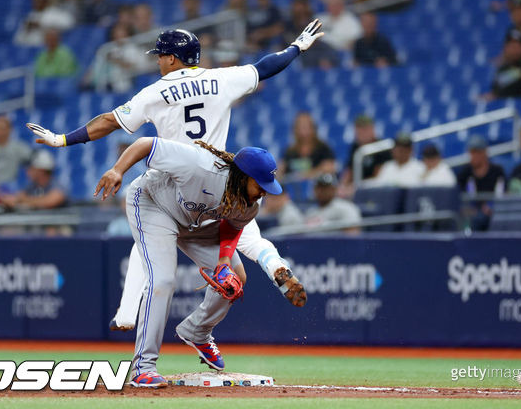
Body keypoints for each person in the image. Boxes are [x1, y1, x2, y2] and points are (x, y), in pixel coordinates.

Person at [26, 22, 324, 339]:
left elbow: (108, 122)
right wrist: (296, 47)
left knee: (147, 242)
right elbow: (265, 68)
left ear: (172, 58)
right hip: (217, 182)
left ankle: (127, 313)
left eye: (161, 55)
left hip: (170, 180)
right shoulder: (220, 78)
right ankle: (273, 268)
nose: (157, 61)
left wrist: (62, 140)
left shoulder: (155, 91)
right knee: (246, 234)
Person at [94, 137, 286, 387]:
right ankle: (143, 366)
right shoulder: (199, 165)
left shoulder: (251, 203)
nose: (264, 191)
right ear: (242, 175)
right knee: (162, 280)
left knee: (234, 277)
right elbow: (145, 144)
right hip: (153, 206)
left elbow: (231, 227)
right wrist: (117, 170)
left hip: (193, 223)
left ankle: (197, 330)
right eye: (260, 184)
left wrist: (224, 262)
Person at [456, 135, 506, 231]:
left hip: (493, 212)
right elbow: (459, 195)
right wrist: (467, 208)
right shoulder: (465, 173)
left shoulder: (497, 171)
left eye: (477, 152)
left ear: (484, 153)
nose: (474, 156)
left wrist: (491, 206)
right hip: (472, 213)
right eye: (472, 153)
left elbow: (504, 192)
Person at [339, 115, 391, 197]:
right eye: (359, 128)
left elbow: (378, 176)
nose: (361, 132)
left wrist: (356, 187)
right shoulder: (355, 147)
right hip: (357, 187)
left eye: (365, 128)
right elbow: (349, 170)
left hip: (375, 189)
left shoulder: (381, 147)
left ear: (372, 129)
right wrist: (342, 186)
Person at [0, 150, 67, 210]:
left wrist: (23, 200)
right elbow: (18, 197)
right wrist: (11, 200)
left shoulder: (55, 185)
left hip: (58, 223)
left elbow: (51, 201)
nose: (27, 171)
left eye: (31, 168)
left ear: (42, 170)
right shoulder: (32, 186)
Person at [280, 112, 336, 179]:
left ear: (313, 128)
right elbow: (281, 170)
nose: (303, 131)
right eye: (300, 127)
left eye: (306, 126)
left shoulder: (323, 149)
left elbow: (329, 167)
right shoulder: (289, 152)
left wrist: (306, 175)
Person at [0, 115, 33, 185]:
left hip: (14, 186)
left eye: (2, 128)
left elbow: (33, 161)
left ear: (9, 129)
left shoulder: (19, 147)